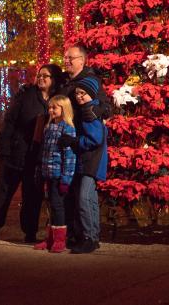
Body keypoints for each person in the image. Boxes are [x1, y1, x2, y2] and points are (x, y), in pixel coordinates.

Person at [0, 63, 66, 243]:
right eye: (39, 75)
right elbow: (9, 122)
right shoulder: (26, 95)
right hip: (16, 154)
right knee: (3, 192)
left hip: (38, 158)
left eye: (45, 75)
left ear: (54, 79)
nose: (41, 78)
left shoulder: (58, 99)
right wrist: (3, 149)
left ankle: (30, 231)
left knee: (33, 196)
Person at [34, 95, 77, 253]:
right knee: (50, 207)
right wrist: (40, 171)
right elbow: (43, 152)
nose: (51, 110)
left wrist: (66, 179)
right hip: (47, 173)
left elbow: (69, 156)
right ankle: (50, 238)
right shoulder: (49, 127)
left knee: (58, 206)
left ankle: (60, 239)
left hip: (59, 175)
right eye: (50, 107)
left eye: (55, 107)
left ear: (63, 109)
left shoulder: (68, 129)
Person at [68, 85, 108, 255]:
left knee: (84, 198)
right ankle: (93, 236)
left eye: (82, 93)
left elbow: (95, 139)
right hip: (91, 161)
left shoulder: (89, 112)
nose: (79, 97)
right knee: (89, 199)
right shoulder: (90, 109)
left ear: (90, 94)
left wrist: (75, 141)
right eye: (77, 93)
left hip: (91, 161)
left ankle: (89, 238)